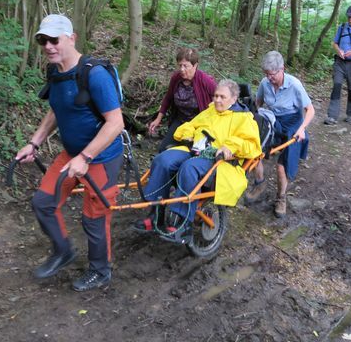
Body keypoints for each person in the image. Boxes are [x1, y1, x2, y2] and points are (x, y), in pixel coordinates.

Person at [14, 14, 124, 292]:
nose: (48, 46)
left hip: (101, 157)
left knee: (94, 216)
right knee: (43, 202)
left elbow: (116, 123)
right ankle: (63, 251)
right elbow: (57, 109)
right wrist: (35, 142)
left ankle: (100, 271)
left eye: (54, 39)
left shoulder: (94, 75)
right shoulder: (55, 72)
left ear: (72, 38)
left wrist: (85, 157)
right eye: (43, 40)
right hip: (71, 154)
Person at [134, 79, 261, 243]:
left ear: (234, 98)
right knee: (162, 160)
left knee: (189, 168)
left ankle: (183, 224)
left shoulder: (244, 118)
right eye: (215, 96)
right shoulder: (210, 111)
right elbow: (192, 125)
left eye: (222, 97)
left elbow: (251, 144)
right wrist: (187, 132)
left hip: (219, 161)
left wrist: (230, 147)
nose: (217, 100)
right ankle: (154, 215)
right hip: (194, 150)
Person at [244, 51, 315, 217]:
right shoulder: (264, 83)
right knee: (254, 150)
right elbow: (258, 103)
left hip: (293, 125)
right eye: (266, 74)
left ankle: (281, 197)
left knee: (282, 166)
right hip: (274, 121)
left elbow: (310, 110)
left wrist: (302, 128)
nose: (269, 78)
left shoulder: (295, 85)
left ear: (282, 69)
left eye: (272, 74)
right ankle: (260, 183)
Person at [148, 48, 216, 152]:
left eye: (185, 66)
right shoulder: (176, 78)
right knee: (163, 150)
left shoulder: (205, 80)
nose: (182, 69)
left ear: (195, 65)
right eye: (180, 65)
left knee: (191, 152)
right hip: (181, 121)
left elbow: (220, 97)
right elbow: (168, 98)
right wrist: (158, 119)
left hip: (198, 124)